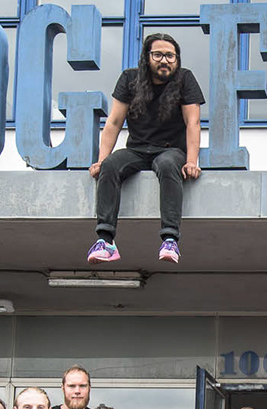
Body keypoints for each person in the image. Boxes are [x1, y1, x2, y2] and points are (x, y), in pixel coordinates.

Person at [87, 32, 203, 266]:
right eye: (158, 55)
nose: (164, 61)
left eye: (170, 56)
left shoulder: (185, 79)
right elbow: (114, 122)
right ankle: (106, 241)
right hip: (137, 149)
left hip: (170, 149)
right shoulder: (130, 79)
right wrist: (101, 159)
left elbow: (193, 122)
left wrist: (192, 161)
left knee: (168, 165)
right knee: (110, 166)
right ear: (147, 57)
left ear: (177, 59)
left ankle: (170, 239)